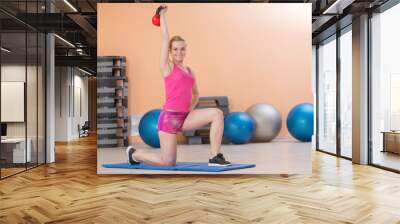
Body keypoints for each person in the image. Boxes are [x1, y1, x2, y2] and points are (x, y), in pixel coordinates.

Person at [126, 5, 231, 167]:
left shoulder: (190, 71)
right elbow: (165, 37)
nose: (179, 52)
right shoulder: (167, 67)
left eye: (182, 49)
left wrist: (189, 110)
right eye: (175, 49)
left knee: (217, 113)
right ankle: (135, 154)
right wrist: (162, 16)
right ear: (170, 51)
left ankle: (215, 157)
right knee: (168, 162)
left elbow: (196, 93)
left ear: (185, 50)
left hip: (185, 117)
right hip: (169, 119)